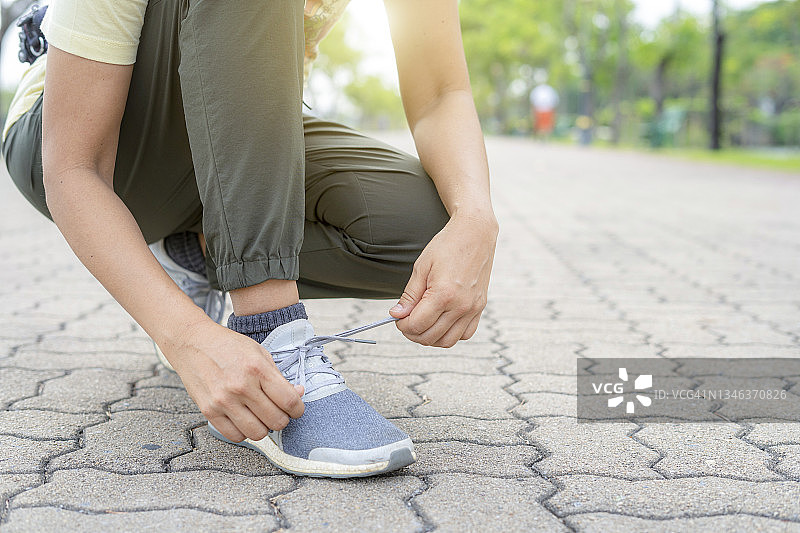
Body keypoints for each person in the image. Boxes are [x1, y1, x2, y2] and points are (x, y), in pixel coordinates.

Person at [2, 0, 497, 478]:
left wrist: (475, 219)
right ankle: (273, 335)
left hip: (238, 139)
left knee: (428, 232)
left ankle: (190, 252)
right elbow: (74, 167)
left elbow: (440, 92)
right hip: (97, 145)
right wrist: (186, 337)